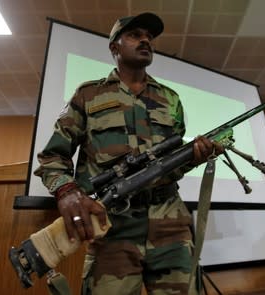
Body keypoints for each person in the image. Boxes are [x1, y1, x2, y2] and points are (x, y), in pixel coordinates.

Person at [20, 12, 220, 294]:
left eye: (149, 37)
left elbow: (168, 165)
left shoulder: (170, 99)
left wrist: (194, 157)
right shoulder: (87, 95)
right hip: (112, 224)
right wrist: (66, 191)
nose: (145, 40)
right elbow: (52, 156)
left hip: (170, 223)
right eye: (135, 35)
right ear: (115, 47)